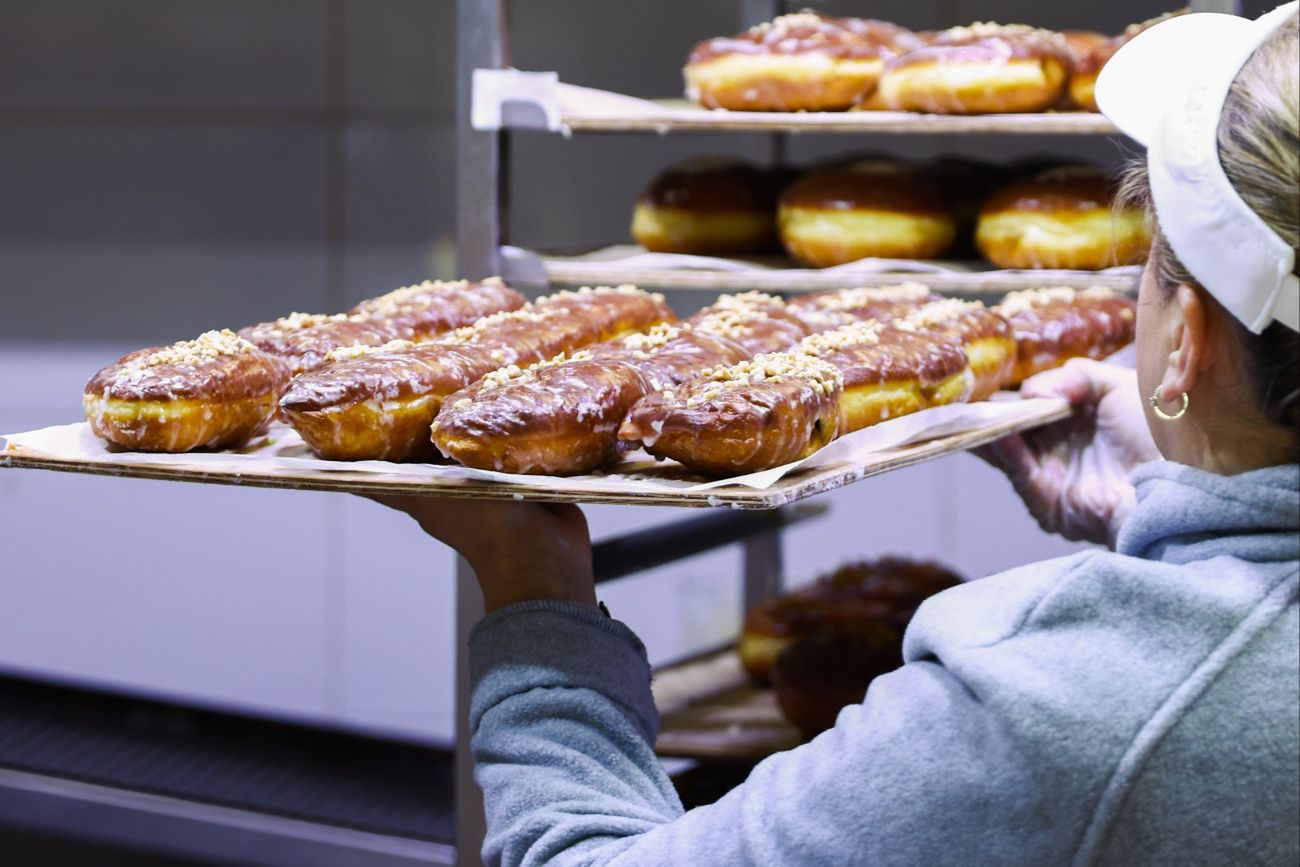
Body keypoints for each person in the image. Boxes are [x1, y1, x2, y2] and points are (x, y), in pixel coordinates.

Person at [376, 6, 1300, 865]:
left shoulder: (1053, 709)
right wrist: (1168, 506)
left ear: (1188, 339)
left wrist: (537, 592)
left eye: (1147, 266)